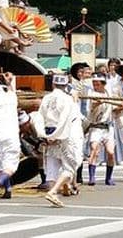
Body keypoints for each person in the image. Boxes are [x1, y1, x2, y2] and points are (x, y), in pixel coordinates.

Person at [40, 74, 84, 208]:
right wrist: (56, 135)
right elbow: (65, 120)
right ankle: (53, 192)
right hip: (65, 136)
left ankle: (55, 191)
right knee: (70, 166)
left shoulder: (46, 98)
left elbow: (39, 117)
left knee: (52, 167)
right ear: (66, 86)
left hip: (49, 133)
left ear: (53, 84)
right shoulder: (68, 100)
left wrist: (44, 135)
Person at [84, 74, 116, 186]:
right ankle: (92, 177)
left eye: (98, 84)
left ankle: (109, 178)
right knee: (94, 150)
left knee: (111, 152)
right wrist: (98, 103)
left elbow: (114, 106)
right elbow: (91, 107)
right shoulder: (91, 94)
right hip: (96, 126)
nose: (95, 86)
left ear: (103, 84)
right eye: (94, 84)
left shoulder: (109, 93)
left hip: (108, 127)